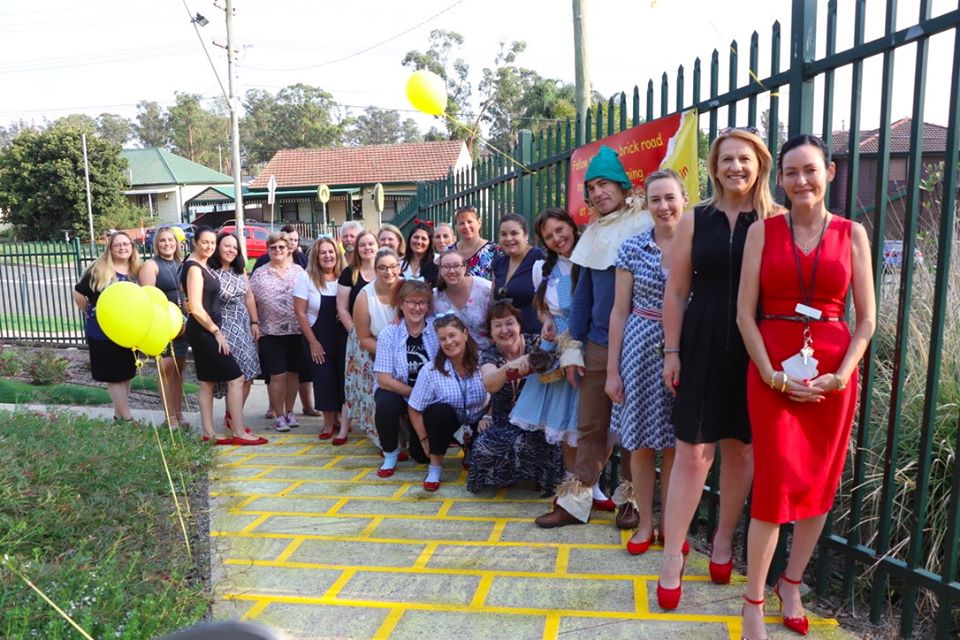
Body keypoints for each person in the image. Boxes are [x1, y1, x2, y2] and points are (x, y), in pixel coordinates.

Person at [736, 135, 875, 640]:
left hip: (831, 379)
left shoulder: (852, 234)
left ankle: (790, 583)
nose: (800, 181)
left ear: (830, 172)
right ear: (781, 180)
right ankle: (753, 599)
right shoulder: (763, 233)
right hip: (772, 372)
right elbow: (743, 315)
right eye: (790, 172)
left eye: (810, 170)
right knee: (774, 488)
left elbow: (866, 321)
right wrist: (773, 373)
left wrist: (840, 375)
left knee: (818, 486)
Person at [656, 127, 780, 610]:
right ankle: (672, 555)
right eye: (726, 159)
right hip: (702, 337)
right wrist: (672, 350)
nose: (736, 168)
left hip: (756, 344)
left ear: (760, 165)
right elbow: (675, 291)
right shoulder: (695, 218)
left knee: (742, 449)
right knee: (692, 452)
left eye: (744, 160)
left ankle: (724, 540)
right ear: (714, 166)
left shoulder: (776, 219)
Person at [534, 146, 651, 530]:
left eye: (605, 184)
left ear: (622, 186)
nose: (599, 192)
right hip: (599, 346)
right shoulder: (592, 234)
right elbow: (582, 297)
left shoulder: (646, 222)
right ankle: (574, 503)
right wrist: (573, 350)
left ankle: (632, 502)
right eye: (593, 187)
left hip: (640, 344)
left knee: (636, 427)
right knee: (590, 427)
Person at [606, 170, 687, 555]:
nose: (663, 206)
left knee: (675, 442)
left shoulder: (697, 246)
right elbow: (619, 312)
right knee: (639, 442)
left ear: (684, 200)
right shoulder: (632, 247)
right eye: (656, 199)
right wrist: (612, 370)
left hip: (685, 348)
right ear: (646, 204)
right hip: (639, 346)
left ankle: (672, 527)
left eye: (670, 197)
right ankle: (645, 524)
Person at [511, 208, 582, 483]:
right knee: (566, 420)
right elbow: (542, 307)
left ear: (571, 226)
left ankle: (593, 481)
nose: (556, 238)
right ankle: (572, 482)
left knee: (593, 419)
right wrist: (547, 321)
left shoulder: (592, 258)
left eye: (560, 230)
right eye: (549, 236)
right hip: (560, 347)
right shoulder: (543, 268)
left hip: (590, 342)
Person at [468, 301, 563, 494]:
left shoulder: (537, 343)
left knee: (531, 444)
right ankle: (510, 476)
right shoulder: (490, 355)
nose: (504, 330)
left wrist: (531, 361)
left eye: (509, 323)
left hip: (540, 420)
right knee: (481, 448)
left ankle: (541, 478)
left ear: (519, 325)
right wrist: (508, 367)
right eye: (498, 325)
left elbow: (556, 360)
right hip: (505, 422)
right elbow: (490, 383)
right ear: (491, 332)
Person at [181, 227, 265, 445]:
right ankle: (237, 431)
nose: (209, 246)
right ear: (195, 243)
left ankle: (210, 432)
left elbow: (196, 301)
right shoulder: (194, 267)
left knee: (208, 382)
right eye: (206, 242)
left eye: (211, 242)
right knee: (234, 377)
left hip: (210, 328)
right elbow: (196, 308)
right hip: (207, 330)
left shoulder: (200, 265)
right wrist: (217, 332)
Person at [407, 314, 489, 492]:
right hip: (446, 423)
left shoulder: (485, 361)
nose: (448, 342)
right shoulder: (430, 370)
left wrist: (489, 415)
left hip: (477, 421)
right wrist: (424, 439)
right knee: (438, 412)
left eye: (452, 336)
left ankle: (470, 448)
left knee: (484, 458)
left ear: (465, 334)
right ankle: (435, 468)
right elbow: (414, 408)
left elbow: (498, 393)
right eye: (443, 338)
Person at [372, 280, 439, 476]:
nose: (416, 308)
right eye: (411, 302)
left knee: (421, 457)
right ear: (401, 304)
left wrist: (423, 397)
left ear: (428, 306)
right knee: (386, 403)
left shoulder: (437, 329)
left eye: (422, 303)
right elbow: (384, 379)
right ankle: (390, 454)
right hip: (399, 391)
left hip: (429, 397)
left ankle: (422, 441)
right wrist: (414, 393)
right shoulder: (389, 333)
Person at [72, 231, 140, 422]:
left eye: (126, 244)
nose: (122, 248)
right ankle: (127, 418)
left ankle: (119, 417)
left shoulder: (136, 271)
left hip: (128, 332)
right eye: (117, 245)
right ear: (110, 248)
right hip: (102, 333)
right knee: (114, 375)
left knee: (127, 373)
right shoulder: (99, 270)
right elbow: (78, 292)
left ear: (132, 247)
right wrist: (89, 311)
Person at [250, 232, 306, 433]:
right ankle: (279, 414)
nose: (278, 251)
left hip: (295, 330)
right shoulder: (259, 274)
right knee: (277, 375)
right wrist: (254, 323)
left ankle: (290, 411)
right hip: (270, 332)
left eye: (281, 247)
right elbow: (251, 300)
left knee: (293, 374)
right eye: (273, 248)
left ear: (288, 248)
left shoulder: (299, 271)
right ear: (268, 250)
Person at [348, 247, 402, 448]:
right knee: (378, 396)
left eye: (393, 266)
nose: (389, 272)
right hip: (374, 350)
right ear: (376, 270)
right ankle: (387, 442)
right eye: (382, 268)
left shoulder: (407, 287)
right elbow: (363, 337)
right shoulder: (365, 296)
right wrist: (390, 356)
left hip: (407, 349)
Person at [294, 237, 347, 440]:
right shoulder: (306, 278)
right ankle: (327, 423)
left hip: (341, 337)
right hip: (317, 336)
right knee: (324, 379)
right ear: (316, 256)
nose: (328, 256)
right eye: (323, 252)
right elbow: (300, 313)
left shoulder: (345, 276)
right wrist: (313, 342)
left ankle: (340, 419)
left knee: (340, 378)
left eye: (331, 251)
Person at [208, 232, 261, 430]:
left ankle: (232, 416)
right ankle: (234, 420)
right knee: (234, 376)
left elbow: (248, 297)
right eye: (226, 246)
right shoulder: (210, 271)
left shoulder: (240, 270)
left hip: (243, 326)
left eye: (234, 247)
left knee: (249, 373)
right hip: (224, 328)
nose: (231, 250)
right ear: (218, 247)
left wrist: (254, 322)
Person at [138, 227, 188, 428]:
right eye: (163, 241)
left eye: (171, 240)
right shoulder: (151, 265)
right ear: (156, 244)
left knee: (179, 370)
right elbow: (148, 299)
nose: (167, 244)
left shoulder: (181, 264)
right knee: (166, 369)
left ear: (177, 243)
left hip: (182, 327)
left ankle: (179, 413)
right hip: (162, 326)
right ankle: (169, 417)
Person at [337, 230, 378, 444]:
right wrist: (356, 331)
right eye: (363, 244)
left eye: (371, 243)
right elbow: (342, 308)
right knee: (354, 382)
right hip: (357, 337)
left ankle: (378, 430)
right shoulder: (349, 273)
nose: (367, 248)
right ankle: (345, 428)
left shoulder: (385, 270)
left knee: (377, 382)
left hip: (381, 336)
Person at [491, 213, 544, 334]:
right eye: (503, 234)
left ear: (526, 235)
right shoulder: (500, 263)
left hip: (536, 335)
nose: (509, 238)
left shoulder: (540, 259)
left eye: (514, 233)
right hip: (506, 336)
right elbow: (493, 299)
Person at [434, 249, 493, 350]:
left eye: (456, 266)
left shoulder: (485, 289)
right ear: (440, 270)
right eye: (446, 267)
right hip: (455, 355)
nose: (451, 271)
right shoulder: (435, 297)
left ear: (464, 268)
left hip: (489, 354)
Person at [453, 205, 500, 280]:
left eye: (469, 222)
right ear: (456, 227)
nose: (466, 226)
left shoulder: (494, 250)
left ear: (479, 222)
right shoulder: (449, 251)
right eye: (461, 223)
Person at [401, 220, 439, 286]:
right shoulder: (400, 263)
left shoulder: (437, 260)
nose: (419, 242)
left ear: (430, 242)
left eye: (423, 239)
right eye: (416, 237)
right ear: (410, 239)